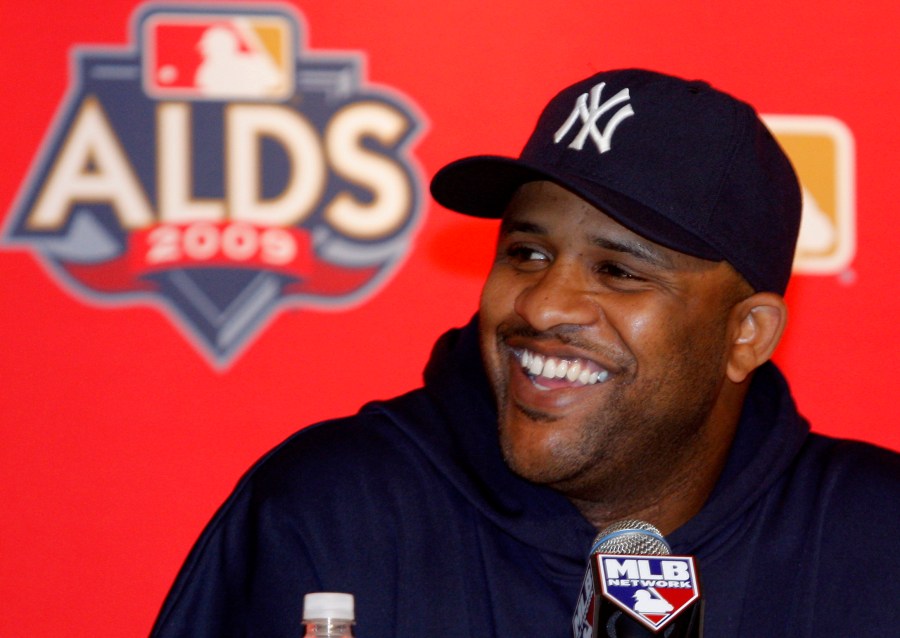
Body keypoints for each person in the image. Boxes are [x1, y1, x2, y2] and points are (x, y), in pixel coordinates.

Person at [150, 69, 900, 637]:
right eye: (528, 254)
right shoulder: (329, 509)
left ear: (748, 335)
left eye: (618, 272)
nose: (542, 306)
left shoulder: (874, 537)